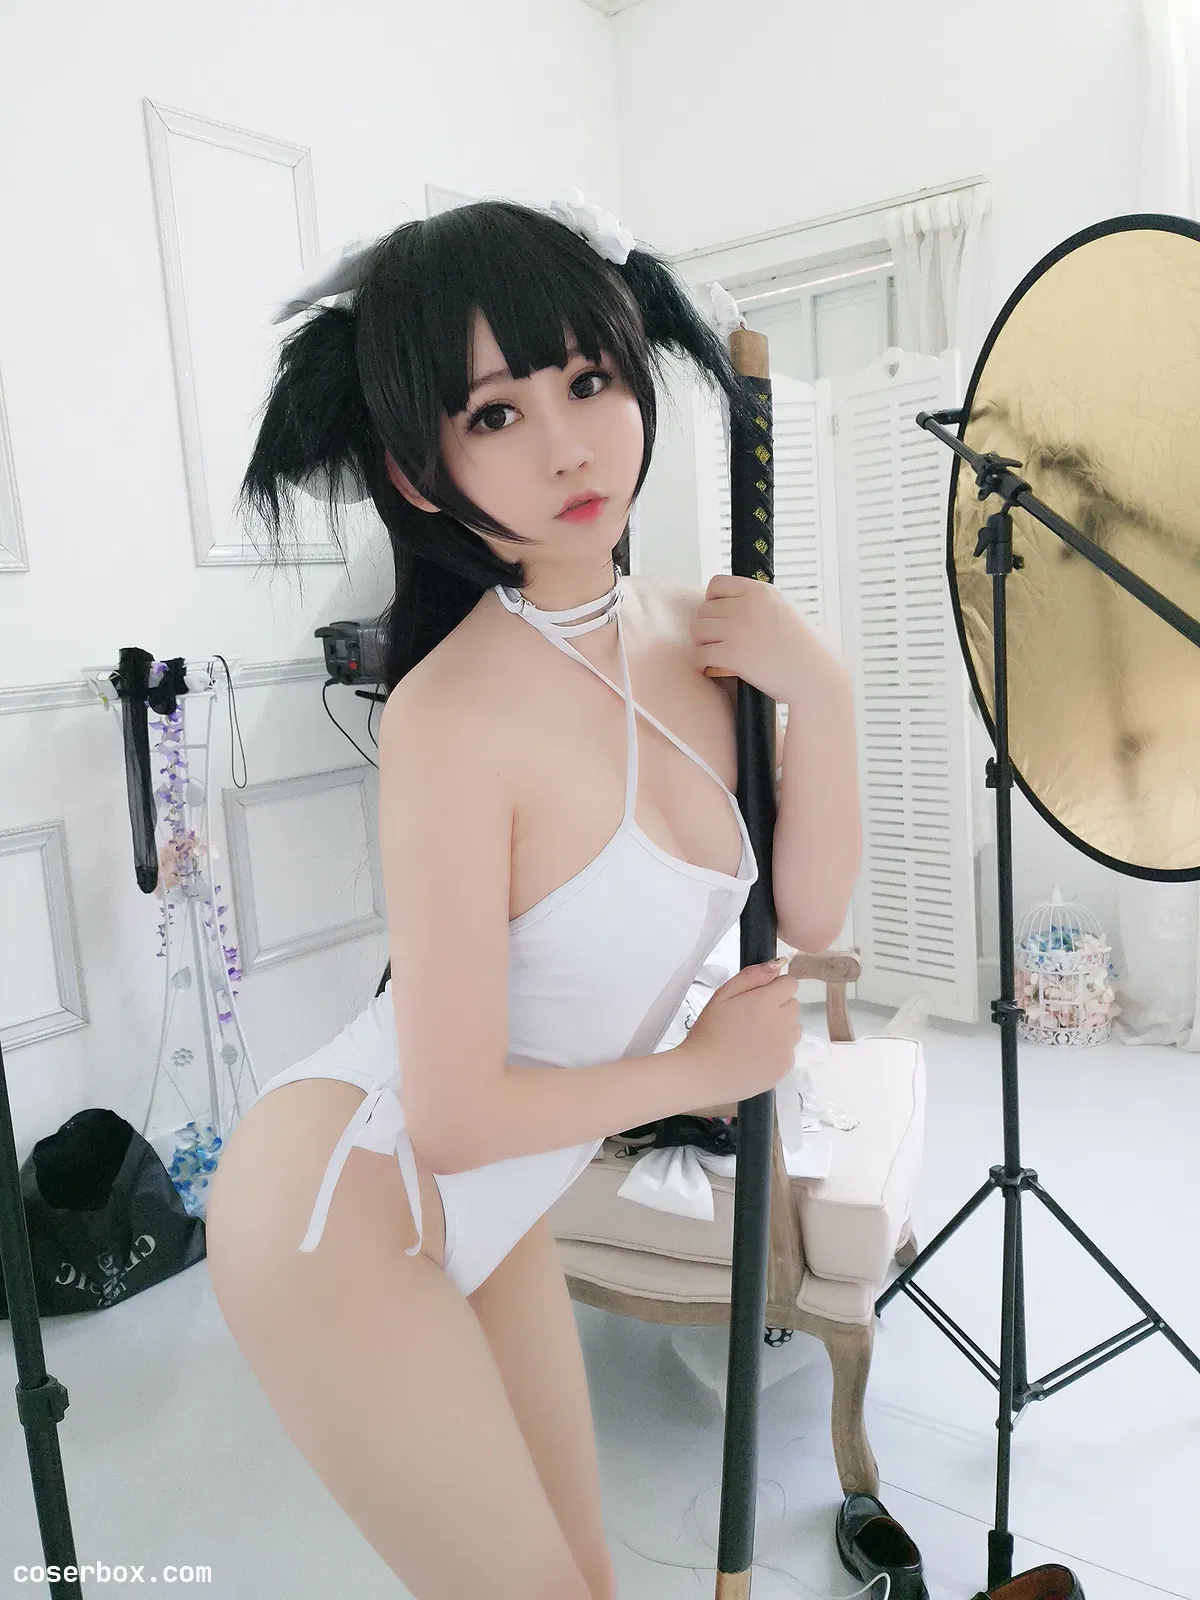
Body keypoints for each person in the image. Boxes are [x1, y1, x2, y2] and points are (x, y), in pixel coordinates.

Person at [206, 194, 848, 1600]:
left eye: (590, 381)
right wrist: (696, 1072)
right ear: (419, 470)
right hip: (350, 1195)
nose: (567, 445)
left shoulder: (715, 635)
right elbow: (450, 1114)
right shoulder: (450, 716)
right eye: (495, 414)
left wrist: (826, 694)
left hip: (499, 1206)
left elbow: (806, 913)